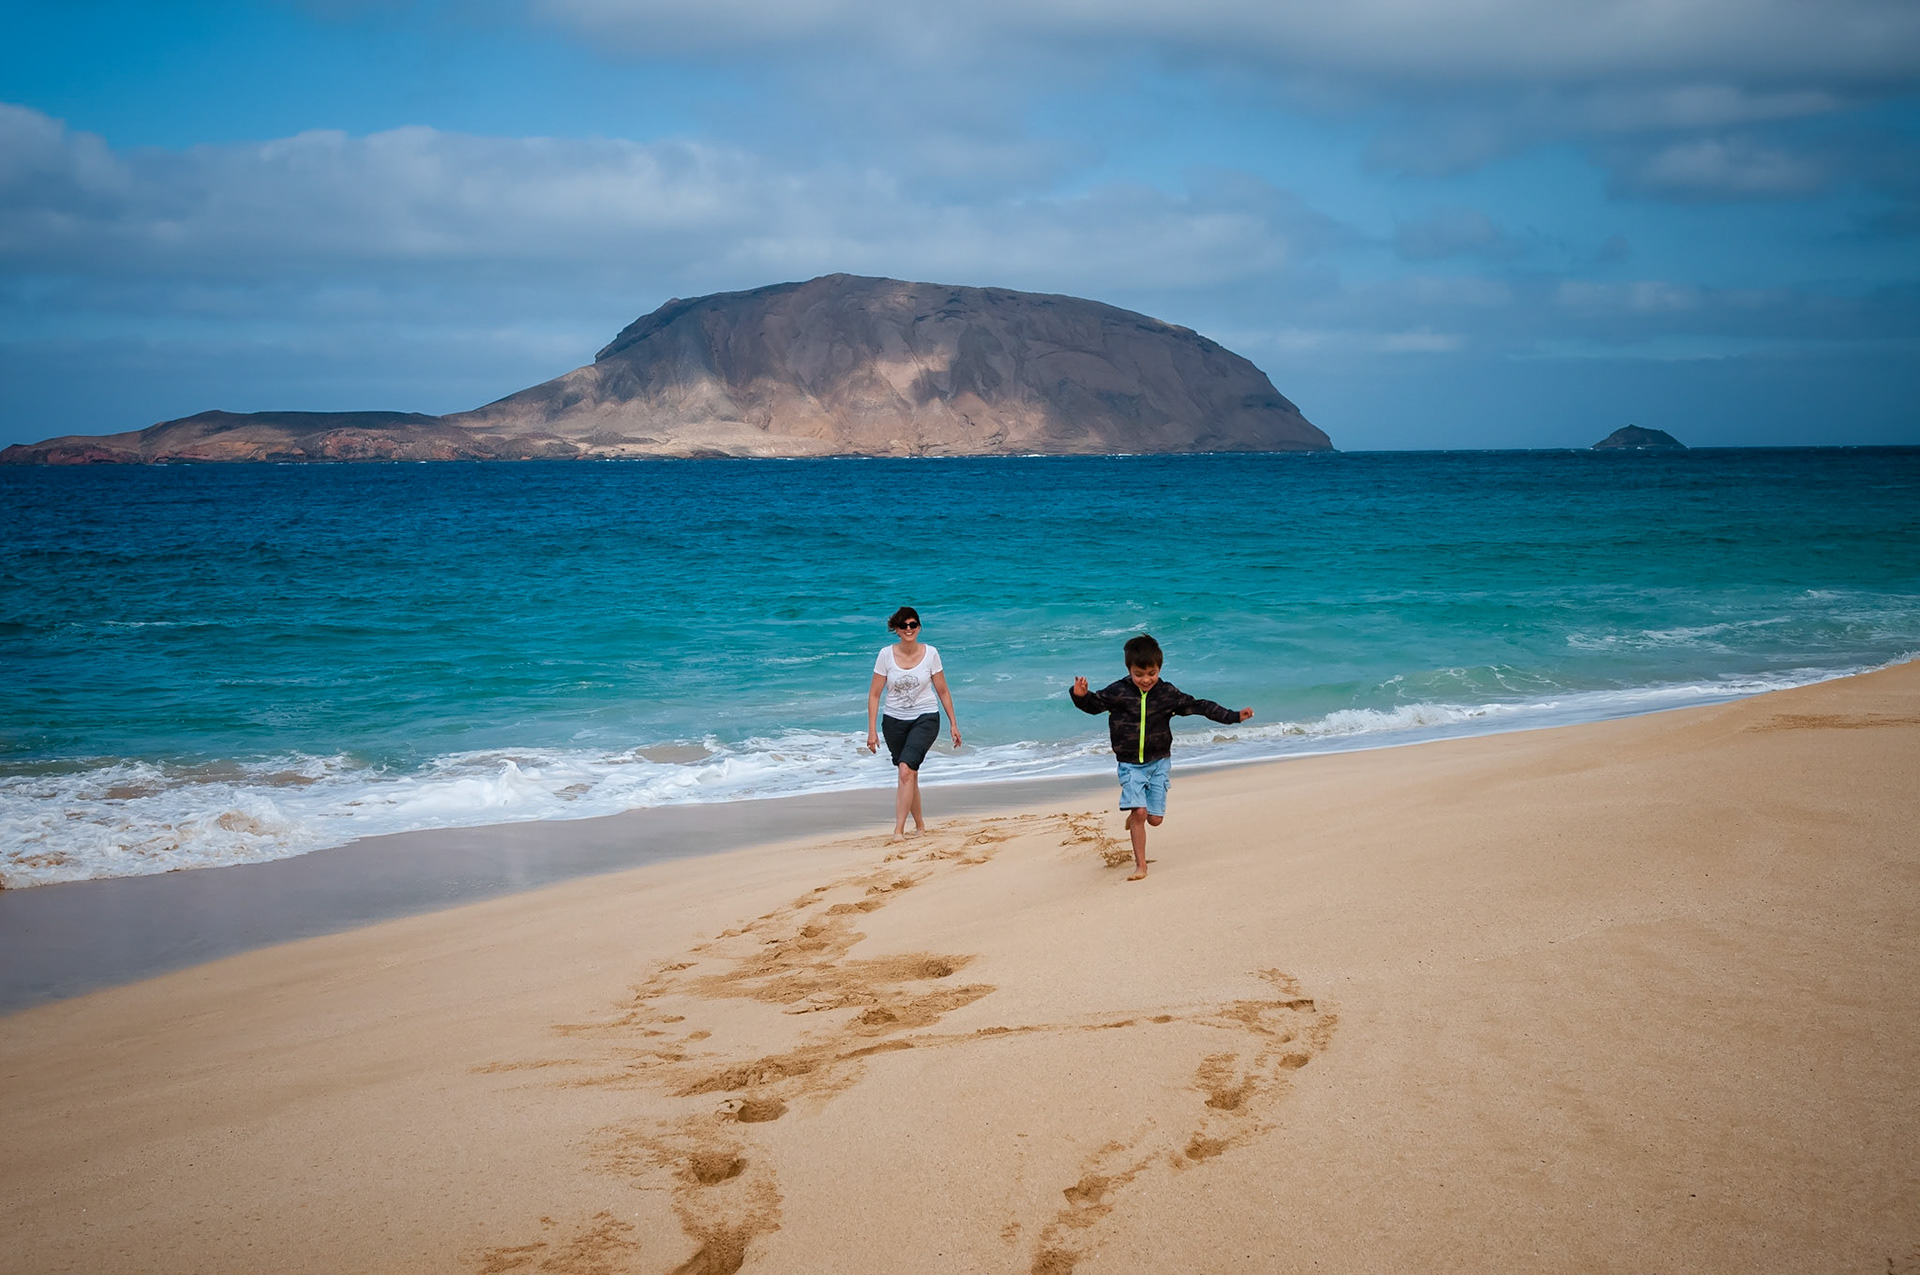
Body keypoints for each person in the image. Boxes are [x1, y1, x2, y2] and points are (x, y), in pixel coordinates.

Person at [1070, 633, 1252, 881]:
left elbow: (1200, 706)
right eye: (1139, 674)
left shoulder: (1167, 694)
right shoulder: (1118, 692)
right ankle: (1141, 865)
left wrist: (1233, 716)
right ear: (1129, 670)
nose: (1146, 679)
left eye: (1152, 673)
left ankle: (1136, 815)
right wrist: (1080, 695)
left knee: (1154, 819)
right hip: (1129, 764)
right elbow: (1093, 705)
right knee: (1141, 813)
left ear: (1159, 669)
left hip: (1159, 763)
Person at [866, 606, 962, 841]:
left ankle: (898, 830)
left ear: (919, 627)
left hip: (926, 718)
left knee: (906, 770)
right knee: (909, 774)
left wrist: (953, 724)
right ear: (896, 629)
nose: (908, 629)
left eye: (913, 625)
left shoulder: (931, 654)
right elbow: (875, 695)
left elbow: (943, 691)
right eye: (903, 626)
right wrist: (872, 730)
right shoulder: (885, 655)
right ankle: (920, 826)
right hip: (894, 722)